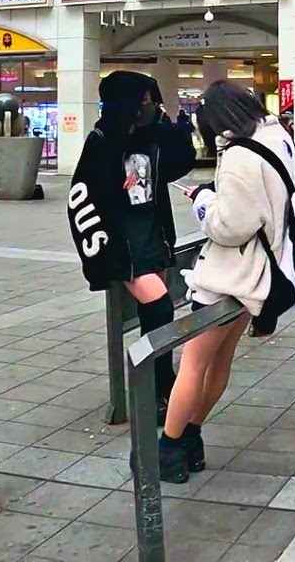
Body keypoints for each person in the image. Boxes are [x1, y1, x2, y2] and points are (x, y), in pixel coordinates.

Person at [146, 81, 295, 483]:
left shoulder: (237, 155)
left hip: (228, 275)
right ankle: (192, 437)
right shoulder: (278, 137)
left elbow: (231, 226)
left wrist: (203, 203)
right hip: (260, 273)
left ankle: (170, 449)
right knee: (220, 361)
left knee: (194, 364)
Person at [66, 71, 196, 431]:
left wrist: (172, 126)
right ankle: (155, 387)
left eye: (151, 101)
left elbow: (180, 162)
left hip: (154, 238)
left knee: (158, 316)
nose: (149, 107)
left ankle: (159, 382)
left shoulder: (151, 138)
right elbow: (80, 199)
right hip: (125, 244)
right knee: (160, 308)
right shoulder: (101, 142)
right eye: (143, 101)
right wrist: (101, 255)